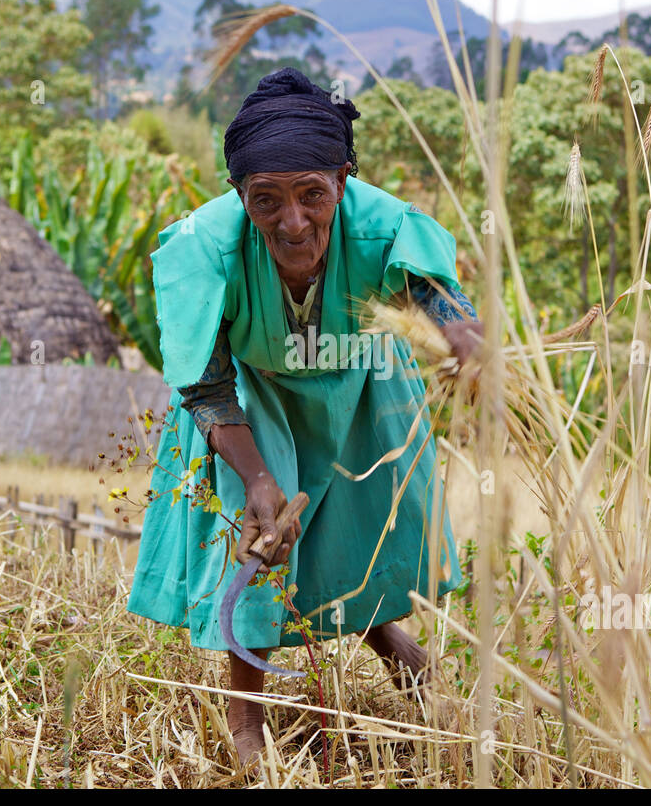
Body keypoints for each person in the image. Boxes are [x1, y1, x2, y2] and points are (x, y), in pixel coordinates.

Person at [126, 67, 483, 765]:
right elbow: (202, 380)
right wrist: (257, 478)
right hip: (246, 396)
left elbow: (428, 285)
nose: (293, 223)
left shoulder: (382, 222)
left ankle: (389, 637)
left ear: (342, 181)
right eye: (267, 202)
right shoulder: (203, 247)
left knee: (358, 518)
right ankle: (247, 723)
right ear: (239, 195)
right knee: (258, 529)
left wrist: (461, 330)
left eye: (313, 196)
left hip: (360, 384)